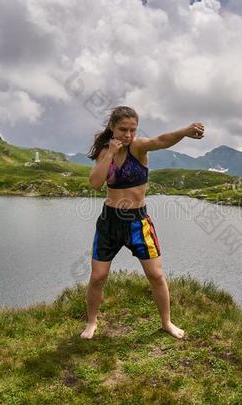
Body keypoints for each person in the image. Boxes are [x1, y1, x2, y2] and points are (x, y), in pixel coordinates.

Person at [80, 106, 205, 339]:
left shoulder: (139, 147)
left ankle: (167, 323)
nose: (128, 135)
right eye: (123, 130)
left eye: (132, 130)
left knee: (156, 276)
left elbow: (162, 140)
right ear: (112, 128)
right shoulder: (104, 152)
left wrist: (185, 131)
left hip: (138, 222)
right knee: (97, 277)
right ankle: (91, 323)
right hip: (110, 221)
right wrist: (108, 154)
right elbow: (95, 183)